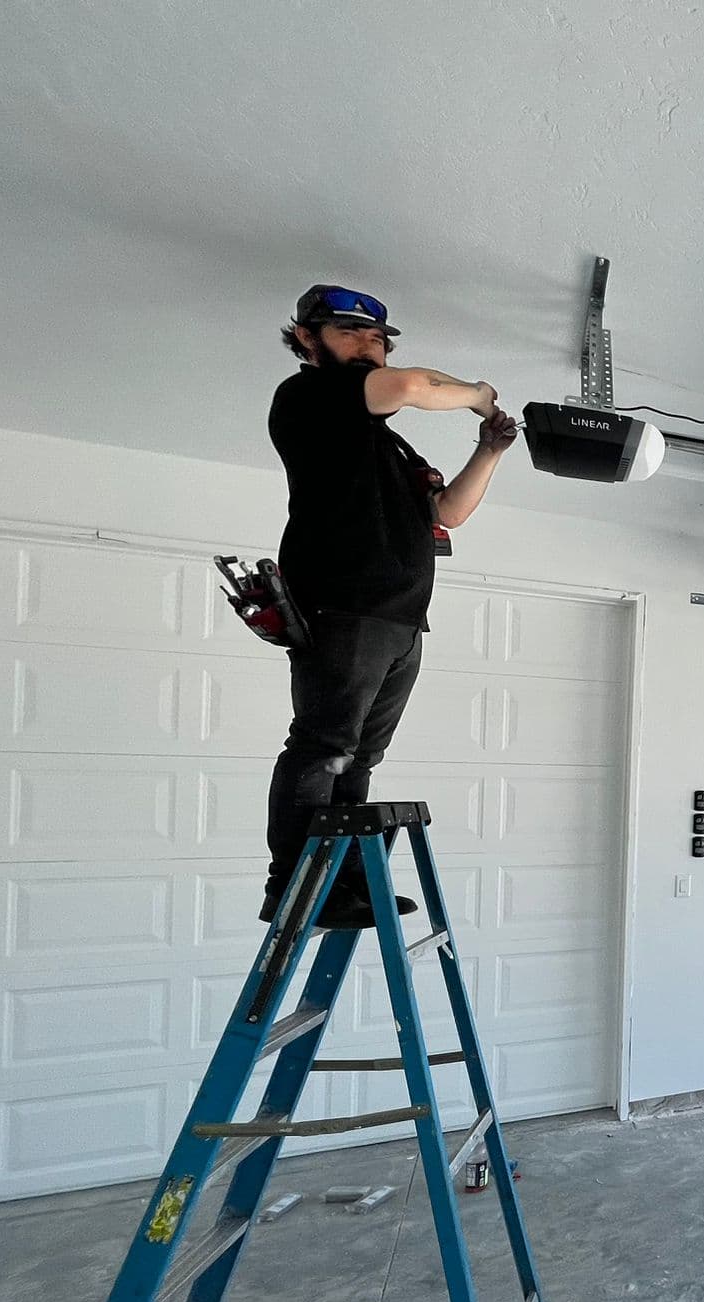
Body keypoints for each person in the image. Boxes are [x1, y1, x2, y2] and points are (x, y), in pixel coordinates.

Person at [261, 284, 518, 926]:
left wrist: (488, 449)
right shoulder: (308, 398)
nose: (367, 345)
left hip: (402, 619)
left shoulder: (389, 447)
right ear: (306, 339)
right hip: (342, 607)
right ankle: (292, 887)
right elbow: (408, 387)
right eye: (349, 332)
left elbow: (448, 513)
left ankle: (341, 882)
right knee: (323, 747)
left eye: (376, 337)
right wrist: (478, 394)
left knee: (358, 758)